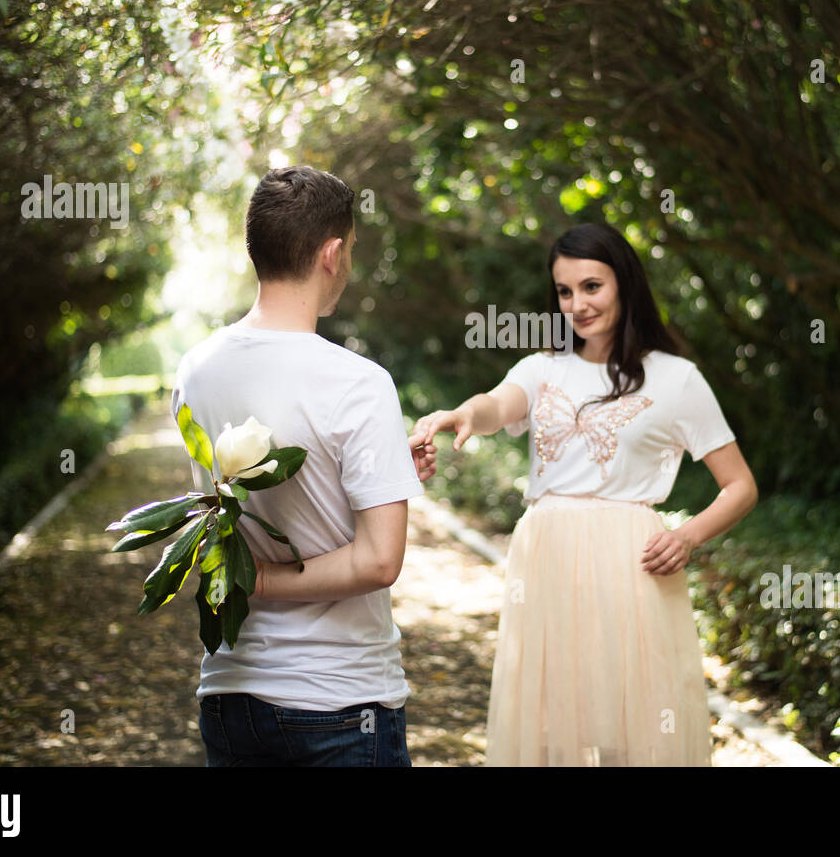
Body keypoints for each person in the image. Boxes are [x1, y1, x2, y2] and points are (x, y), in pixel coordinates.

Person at [409, 222, 757, 766]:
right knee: (550, 721)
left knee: (633, 723)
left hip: (633, 563)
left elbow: (740, 486)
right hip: (547, 559)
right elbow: (496, 406)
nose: (577, 304)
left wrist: (688, 536)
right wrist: (460, 415)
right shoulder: (543, 368)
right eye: (565, 292)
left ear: (625, 283)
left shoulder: (677, 378)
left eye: (591, 286)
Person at [171, 165, 436, 767]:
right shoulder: (360, 382)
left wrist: (386, 477)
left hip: (230, 694)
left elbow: (231, 509)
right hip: (340, 701)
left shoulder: (197, 368)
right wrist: (263, 581)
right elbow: (378, 560)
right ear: (332, 253)